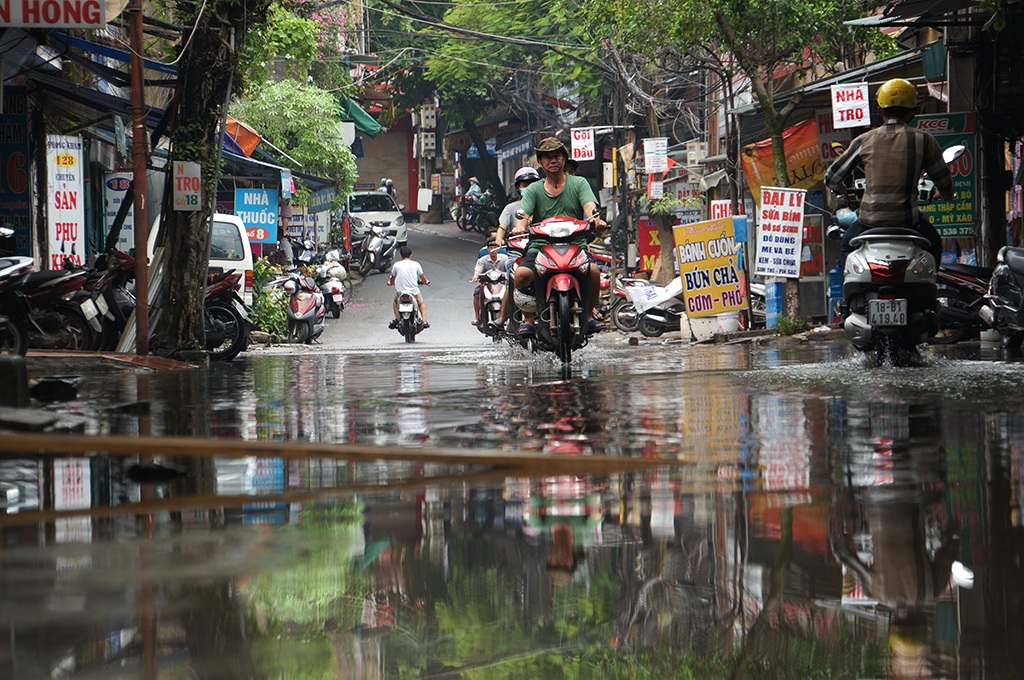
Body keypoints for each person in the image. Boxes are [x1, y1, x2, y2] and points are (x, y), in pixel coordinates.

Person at [824, 78, 955, 266]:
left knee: (846, 244)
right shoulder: (924, 139)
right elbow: (943, 180)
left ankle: (850, 285)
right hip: (908, 221)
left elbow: (831, 178)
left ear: (880, 110)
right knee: (934, 244)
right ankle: (930, 283)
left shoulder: (864, 140)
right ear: (912, 111)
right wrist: (946, 194)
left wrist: (842, 190)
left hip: (869, 221)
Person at [510, 137, 607, 336]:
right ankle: (528, 319)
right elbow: (524, 214)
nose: (553, 161)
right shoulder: (534, 190)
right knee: (520, 275)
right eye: (548, 157)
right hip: (540, 247)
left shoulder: (579, 183)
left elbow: (589, 206)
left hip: (576, 246)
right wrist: (519, 227)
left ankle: (589, 315)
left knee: (594, 272)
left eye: (557, 156)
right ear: (540, 162)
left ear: (564, 158)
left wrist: (595, 219)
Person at [495, 166, 541, 325]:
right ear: (518, 187)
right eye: (525, 185)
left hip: (540, 249)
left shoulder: (542, 205)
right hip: (517, 251)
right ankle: (502, 318)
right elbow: (502, 227)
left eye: (532, 184)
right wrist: (499, 239)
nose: (528, 188)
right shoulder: (511, 208)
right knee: (512, 279)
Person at [387, 246, 430, 329]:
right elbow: (423, 278)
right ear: (411, 255)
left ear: (401, 255)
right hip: (413, 291)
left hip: (400, 292)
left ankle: (397, 319)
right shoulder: (416, 264)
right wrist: (426, 282)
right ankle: (424, 321)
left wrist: (390, 283)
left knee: (395, 303)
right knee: (421, 304)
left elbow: (392, 278)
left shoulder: (396, 265)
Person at [470, 239, 508, 327]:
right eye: (490, 248)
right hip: (487, 284)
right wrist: (475, 276)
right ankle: (478, 318)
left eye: (495, 248)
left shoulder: (505, 258)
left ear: (498, 249)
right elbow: (477, 270)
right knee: (477, 292)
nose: (493, 250)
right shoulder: (482, 260)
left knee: (512, 293)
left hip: (502, 283)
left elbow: (509, 269)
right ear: (487, 249)